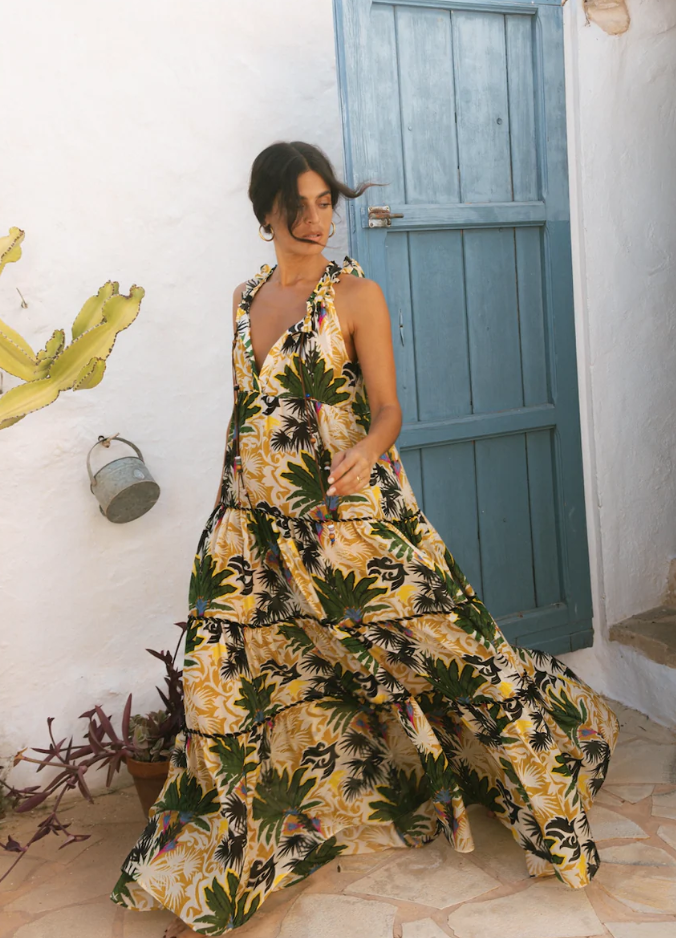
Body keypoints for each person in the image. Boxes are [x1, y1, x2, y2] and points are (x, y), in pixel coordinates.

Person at [112, 141, 619, 936]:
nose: (316, 220)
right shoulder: (243, 298)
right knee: (229, 684)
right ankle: (230, 863)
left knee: (457, 656)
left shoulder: (356, 295)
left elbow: (388, 409)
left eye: (326, 203)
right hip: (253, 527)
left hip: (349, 525)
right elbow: (247, 411)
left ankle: (550, 780)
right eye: (299, 206)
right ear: (265, 214)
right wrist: (223, 511)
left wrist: (366, 450)